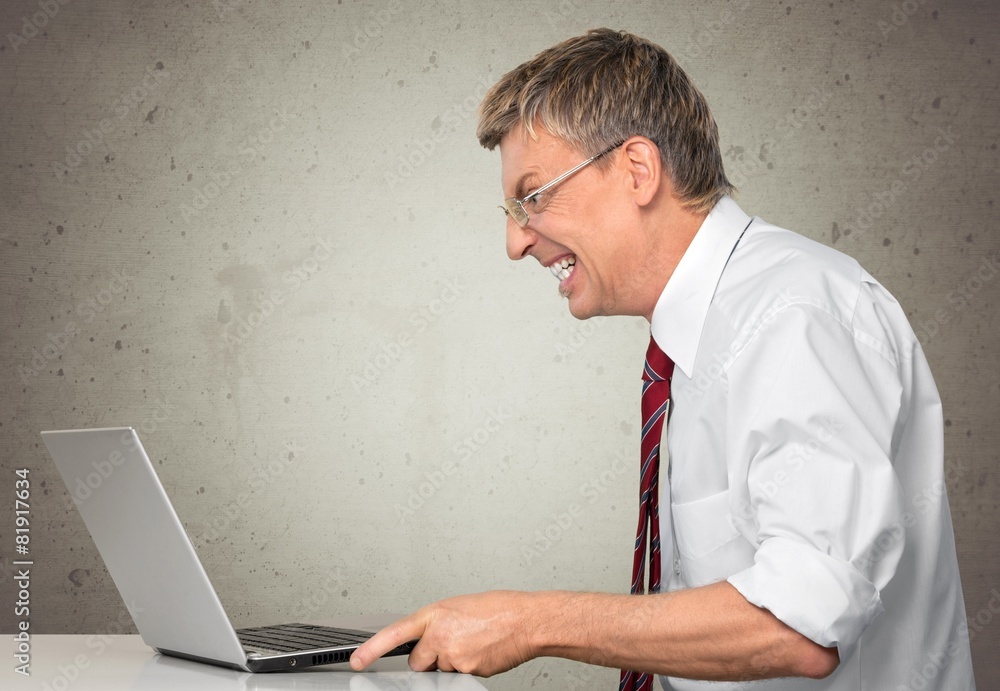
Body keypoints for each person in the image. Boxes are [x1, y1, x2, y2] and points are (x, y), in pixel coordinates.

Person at [350, 28, 976, 690]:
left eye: (532, 198)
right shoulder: (703, 337)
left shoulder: (795, 316)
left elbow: (799, 626)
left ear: (637, 170)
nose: (515, 242)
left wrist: (533, 623)